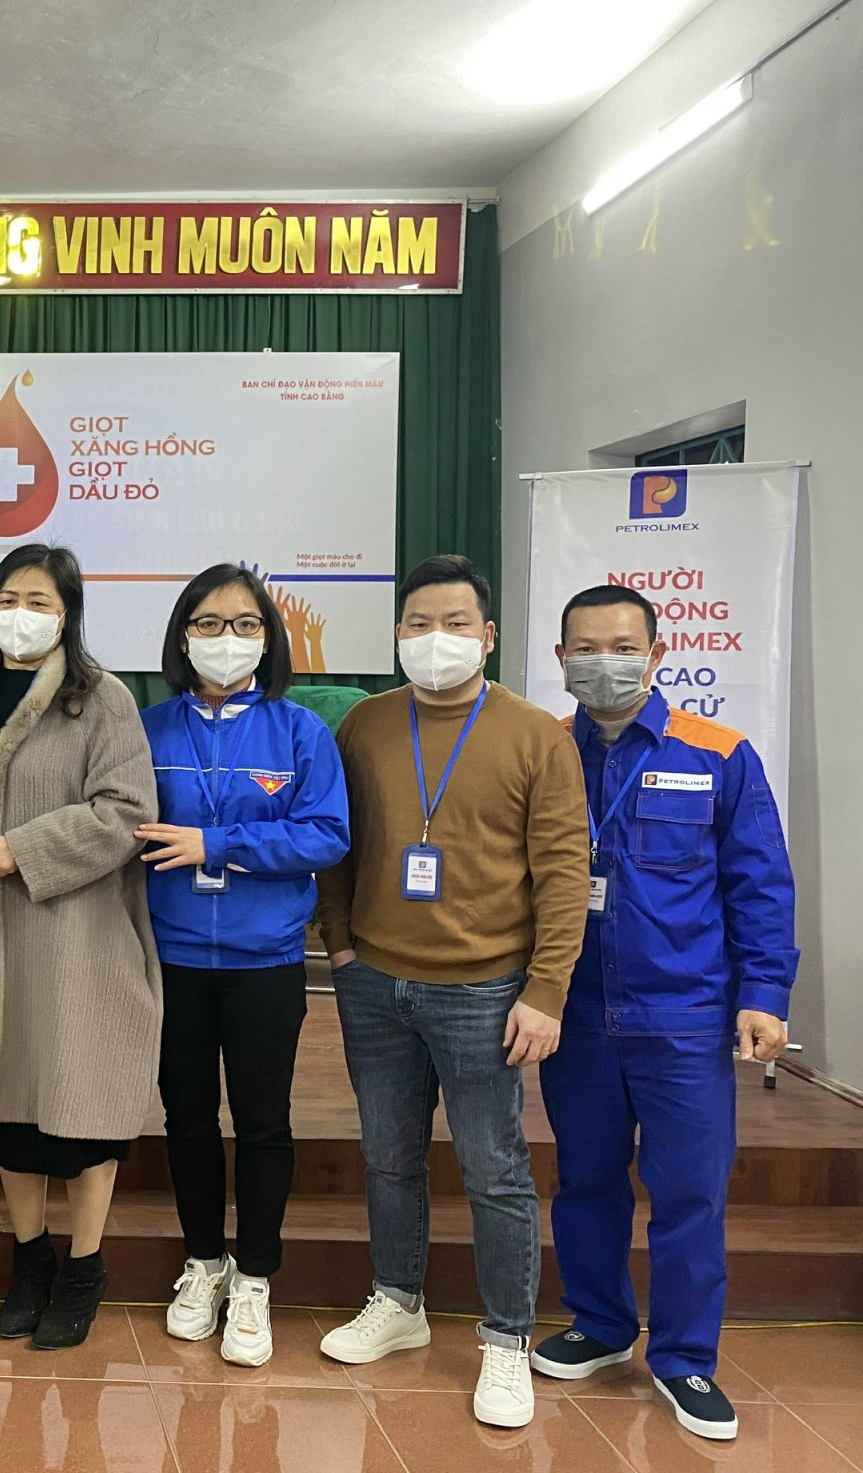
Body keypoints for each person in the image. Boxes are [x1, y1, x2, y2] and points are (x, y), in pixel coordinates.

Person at [314, 553, 589, 1428]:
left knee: (494, 1170)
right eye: (419, 624)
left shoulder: (535, 734)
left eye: (456, 624)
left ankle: (506, 1339)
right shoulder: (365, 725)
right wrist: (341, 944)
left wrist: (546, 989)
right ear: (398, 634)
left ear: (489, 635)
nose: (437, 640)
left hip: (485, 990)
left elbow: (563, 872)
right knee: (388, 1156)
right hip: (374, 981)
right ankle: (398, 1300)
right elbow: (338, 847)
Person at [530, 584, 797, 1441]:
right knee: (586, 1180)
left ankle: (684, 1359)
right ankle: (601, 1323)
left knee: (689, 1193)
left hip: (683, 1017)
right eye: (584, 648)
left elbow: (760, 883)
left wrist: (764, 995)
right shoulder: (544, 751)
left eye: (621, 646)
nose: (602, 662)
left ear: (656, 654)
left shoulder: (718, 753)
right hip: (576, 1014)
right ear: (560, 657)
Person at [0, 543, 163, 1351]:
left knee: (81, 1111)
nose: (20, 616)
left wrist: (24, 848)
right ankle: (30, 1261)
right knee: (11, 1111)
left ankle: (85, 1267)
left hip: (73, 937)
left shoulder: (102, 699)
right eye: (8, 599)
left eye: (39, 602)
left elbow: (126, 812)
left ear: (67, 615)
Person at [138, 564, 350, 1367]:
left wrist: (218, 843)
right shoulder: (149, 729)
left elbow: (326, 835)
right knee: (187, 1118)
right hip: (172, 956)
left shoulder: (300, 732)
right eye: (208, 623)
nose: (226, 639)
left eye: (245, 624)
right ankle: (204, 1262)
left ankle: (256, 1276)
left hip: (266, 960)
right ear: (181, 635)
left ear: (268, 638)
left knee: (263, 1121)